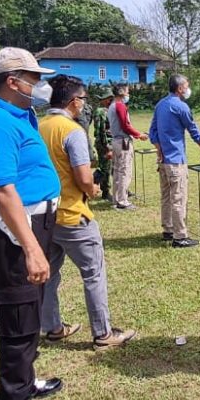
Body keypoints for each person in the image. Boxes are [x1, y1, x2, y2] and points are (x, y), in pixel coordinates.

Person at [0, 47, 63, 400]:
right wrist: (32, 249)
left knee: (31, 309)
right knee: (18, 319)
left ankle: (25, 381)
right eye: (34, 80)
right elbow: (3, 189)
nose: (40, 86)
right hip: (17, 230)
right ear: (12, 81)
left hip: (33, 220)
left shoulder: (20, 114)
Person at [38, 75, 136, 350]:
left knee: (50, 275)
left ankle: (52, 327)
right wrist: (92, 188)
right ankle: (103, 334)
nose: (84, 104)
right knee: (93, 274)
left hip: (46, 215)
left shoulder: (38, 125)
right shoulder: (71, 131)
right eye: (82, 99)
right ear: (73, 102)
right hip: (73, 215)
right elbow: (83, 179)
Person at [148, 74, 200, 248]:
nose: (188, 89)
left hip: (164, 161)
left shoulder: (160, 105)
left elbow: (152, 132)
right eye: (187, 86)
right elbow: (194, 132)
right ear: (180, 88)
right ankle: (180, 237)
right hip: (176, 161)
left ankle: (168, 230)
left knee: (166, 197)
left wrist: (159, 151)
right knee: (178, 198)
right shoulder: (181, 107)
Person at [107, 84, 148, 210]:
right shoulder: (120, 105)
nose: (128, 94)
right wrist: (138, 135)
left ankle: (117, 199)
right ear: (121, 92)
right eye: (127, 92)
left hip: (116, 141)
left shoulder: (112, 105)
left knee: (118, 171)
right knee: (124, 171)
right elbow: (125, 126)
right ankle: (123, 201)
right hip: (123, 141)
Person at [92, 87, 115, 202]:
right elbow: (101, 132)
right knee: (104, 168)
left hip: (109, 143)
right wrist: (107, 147)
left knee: (108, 167)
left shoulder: (107, 110)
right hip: (104, 144)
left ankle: (107, 190)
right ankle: (93, 185)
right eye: (110, 99)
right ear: (106, 100)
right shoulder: (101, 112)